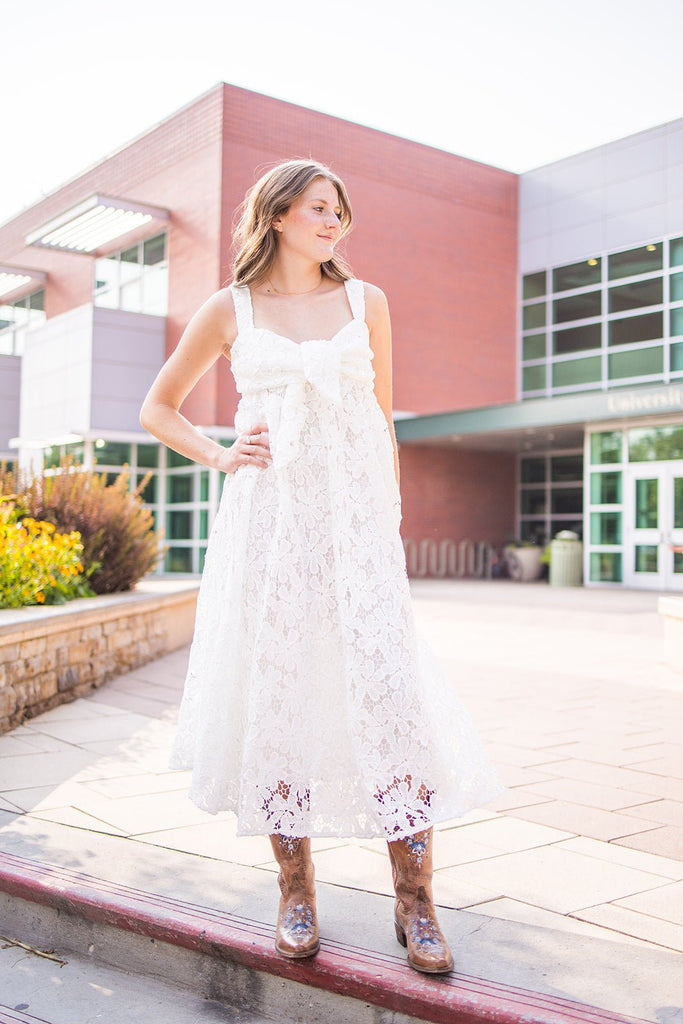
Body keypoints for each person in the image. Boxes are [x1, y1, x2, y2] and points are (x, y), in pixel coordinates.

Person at [140, 159, 501, 975]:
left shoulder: (365, 300)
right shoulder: (228, 309)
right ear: (276, 215)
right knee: (283, 695)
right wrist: (219, 452)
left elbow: (382, 424)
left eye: (339, 209)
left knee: (389, 697)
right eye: (317, 207)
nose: (334, 221)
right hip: (270, 532)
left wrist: (389, 533)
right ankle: (295, 892)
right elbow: (157, 407)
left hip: (358, 533)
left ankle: (416, 904)